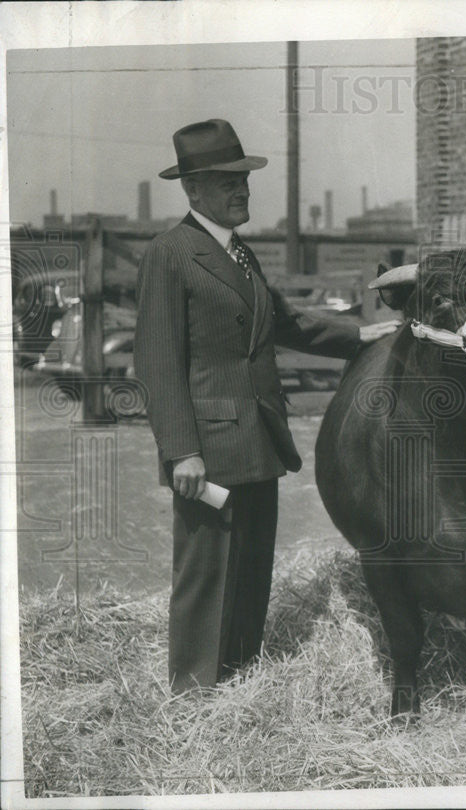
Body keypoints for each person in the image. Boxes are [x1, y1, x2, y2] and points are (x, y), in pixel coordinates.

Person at [134, 119, 398, 693]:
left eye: (244, 179)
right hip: (206, 450)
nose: (241, 190)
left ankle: (238, 681)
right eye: (227, 181)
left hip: (257, 438)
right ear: (193, 189)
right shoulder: (170, 254)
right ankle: (194, 695)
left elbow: (287, 322)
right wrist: (181, 451)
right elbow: (157, 364)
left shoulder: (241, 253)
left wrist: (361, 336)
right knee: (206, 574)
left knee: (251, 569)